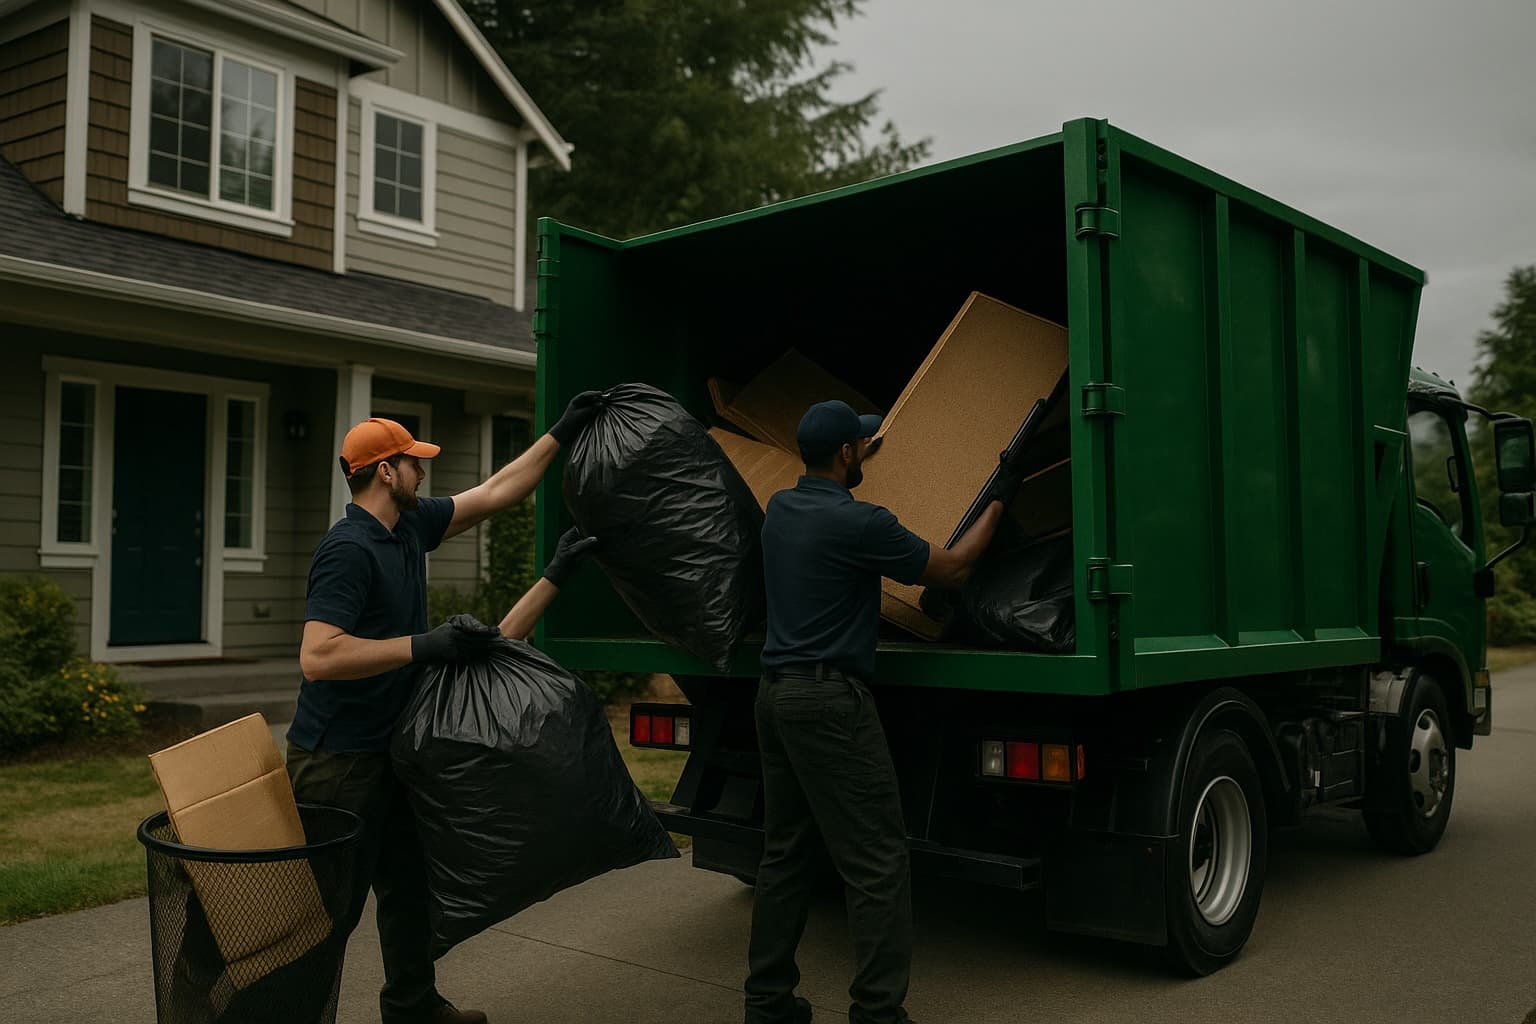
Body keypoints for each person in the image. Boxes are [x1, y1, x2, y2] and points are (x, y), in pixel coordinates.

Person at [287, 395, 600, 1024]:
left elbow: (497, 491)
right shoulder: (347, 549)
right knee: (326, 913)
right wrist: (423, 646)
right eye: (414, 462)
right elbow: (318, 656)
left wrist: (561, 432)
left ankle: (413, 1006)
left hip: (390, 749)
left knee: (408, 886)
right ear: (384, 471)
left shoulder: (408, 526)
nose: (423, 473)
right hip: (337, 759)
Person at [743, 400, 1026, 1024]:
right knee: (876, 862)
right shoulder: (861, 524)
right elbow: (951, 570)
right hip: (828, 702)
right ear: (847, 454)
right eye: (866, 444)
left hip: (776, 695)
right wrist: (998, 502)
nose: (869, 451)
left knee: (785, 853)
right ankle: (877, 1012)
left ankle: (766, 1004)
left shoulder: (780, 512)